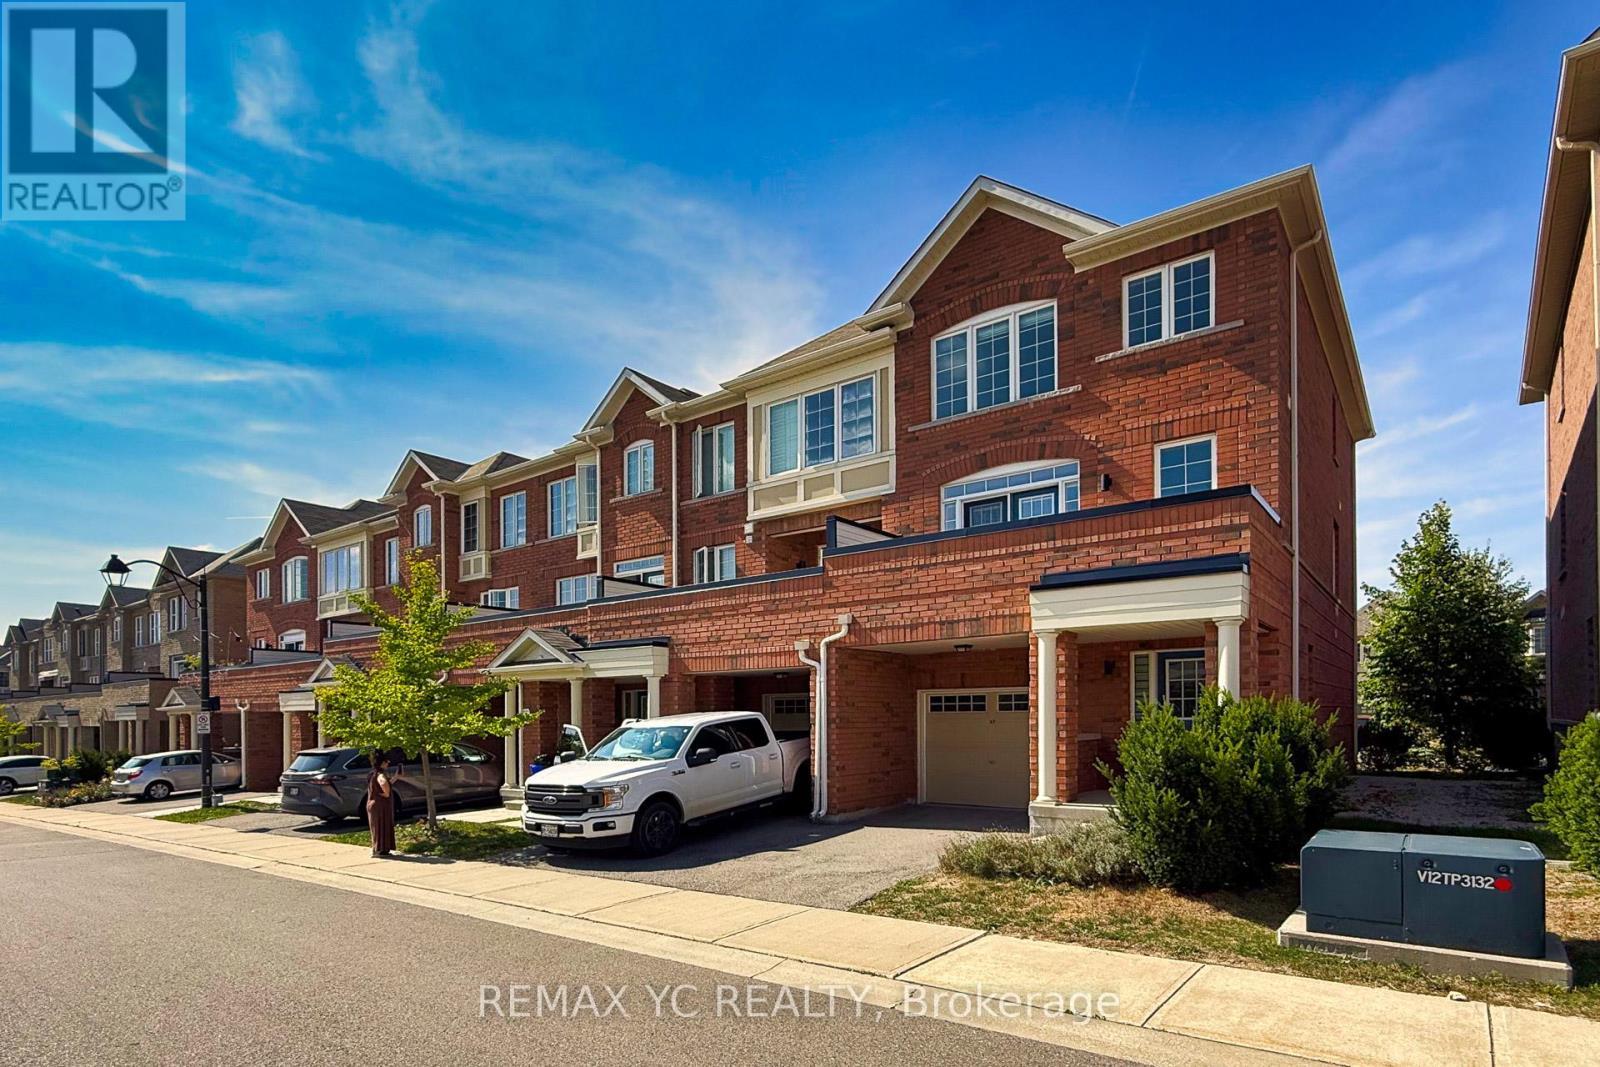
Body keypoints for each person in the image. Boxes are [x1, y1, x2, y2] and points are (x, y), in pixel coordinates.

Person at [367, 752, 399, 857]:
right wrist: (386, 793)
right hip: (381, 805)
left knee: (376, 827)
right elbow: (383, 783)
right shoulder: (380, 775)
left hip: (373, 804)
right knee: (383, 826)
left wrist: (396, 777)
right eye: (386, 761)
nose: (388, 763)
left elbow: (387, 782)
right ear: (382, 763)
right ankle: (381, 850)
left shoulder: (372, 774)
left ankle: (377, 848)